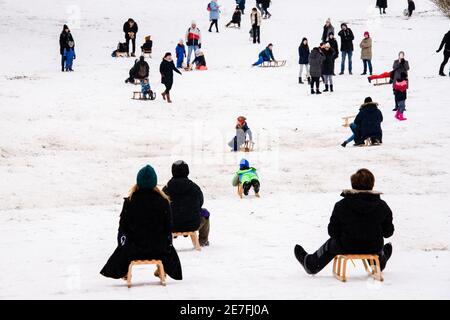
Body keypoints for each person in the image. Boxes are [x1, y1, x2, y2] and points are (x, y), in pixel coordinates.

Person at [294, 168, 394, 275]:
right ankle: (380, 262)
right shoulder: (382, 206)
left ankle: (311, 264)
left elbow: (332, 232)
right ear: (372, 184)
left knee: (331, 243)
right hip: (373, 247)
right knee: (372, 244)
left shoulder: (341, 205)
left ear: (353, 184)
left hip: (346, 246)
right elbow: (388, 232)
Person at [100, 165, 182, 282]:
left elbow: (123, 228)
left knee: (123, 247)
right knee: (166, 245)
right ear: (154, 182)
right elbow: (168, 228)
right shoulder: (163, 202)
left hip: (133, 250)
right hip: (158, 249)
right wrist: (165, 245)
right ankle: (162, 268)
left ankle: (124, 270)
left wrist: (122, 246)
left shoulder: (129, 202)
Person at [162, 160, 210, 247]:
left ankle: (164, 242)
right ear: (187, 171)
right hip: (193, 224)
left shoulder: (166, 189)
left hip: (171, 225)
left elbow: (161, 206)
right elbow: (200, 203)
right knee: (205, 213)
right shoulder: (194, 187)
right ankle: (203, 241)